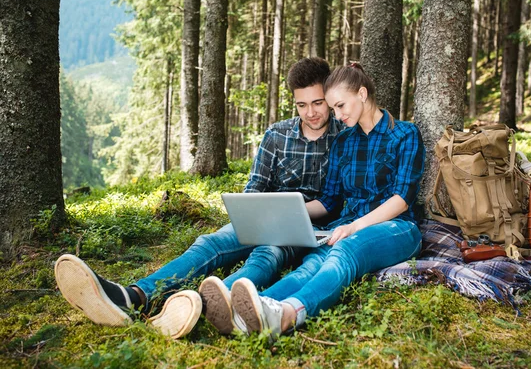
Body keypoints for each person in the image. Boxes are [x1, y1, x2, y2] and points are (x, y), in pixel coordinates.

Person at [54, 57, 344, 339]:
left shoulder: (345, 138)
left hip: (311, 230)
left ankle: (192, 306)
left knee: (265, 255)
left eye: (318, 103)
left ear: (329, 98)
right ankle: (133, 296)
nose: (310, 113)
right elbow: (254, 187)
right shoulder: (277, 134)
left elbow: (339, 201)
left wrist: (294, 216)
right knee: (210, 243)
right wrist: (260, 211)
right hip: (266, 218)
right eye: (302, 104)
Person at [227, 63, 426, 341]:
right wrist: (285, 213)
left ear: (363, 94)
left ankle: (287, 314)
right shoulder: (343, 142)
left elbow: (402, 199)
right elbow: (330, 199)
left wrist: (355, 227)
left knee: (345, 250)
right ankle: (246, 310)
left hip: (397, 227)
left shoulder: (405, 134)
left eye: (341, 106)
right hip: (345, 226)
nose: (338, 115)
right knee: (311, 264)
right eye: (334, 109)